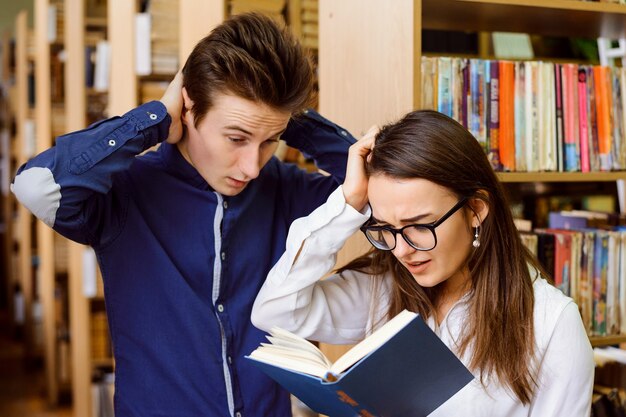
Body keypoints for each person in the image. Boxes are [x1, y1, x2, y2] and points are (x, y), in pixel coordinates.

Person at [11, 13, 355, 417]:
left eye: (269, 143)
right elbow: (35, 185)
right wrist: (154, 118)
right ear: (189, 107)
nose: (251, 166)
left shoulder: (285, 188)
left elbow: (381, 189)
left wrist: (292, 121)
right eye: (237, 138)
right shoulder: (128, 191)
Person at [251, 110, 595, 416]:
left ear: (475, 210)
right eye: (386, 228)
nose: (402, 250)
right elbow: (275, 312)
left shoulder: (551, 324)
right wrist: (348, 203)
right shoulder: (385, 287)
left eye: (419, 225)